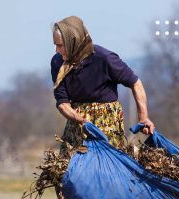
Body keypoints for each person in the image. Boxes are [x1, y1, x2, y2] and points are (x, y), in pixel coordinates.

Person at [51, 16, 155, 149]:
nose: (56, 50)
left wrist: (143, 117)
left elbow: (135, 83)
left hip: (107, 125)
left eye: (60, 45)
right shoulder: (57, 63)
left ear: (73, 42)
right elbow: (62, 102)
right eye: (55, 45)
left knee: (108, 167)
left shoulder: (104, 58)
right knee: (69, 168)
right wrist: (81, 120)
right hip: (76, 124)